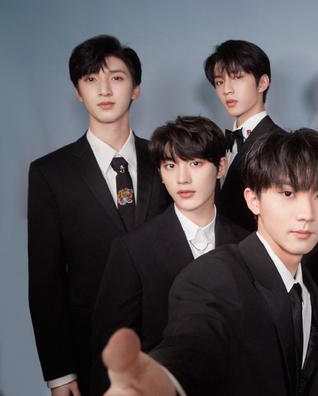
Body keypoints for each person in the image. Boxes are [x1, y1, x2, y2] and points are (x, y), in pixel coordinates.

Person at [101, 128, 318, 396]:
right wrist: (162, 380)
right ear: (253, 200)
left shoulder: (311, 289)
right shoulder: (214, 276)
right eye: (288, 193)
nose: (307, 214)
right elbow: (193, 343)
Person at [27, 34, 171, 395]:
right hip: (91, 354)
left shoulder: (168, 162)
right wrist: (60, 373)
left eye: (117, 78)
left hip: (168, 350)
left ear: (136, 88)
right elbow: (45, 282)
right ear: (78, 92)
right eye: (91, 79)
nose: (104, 89)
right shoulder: (50, 173)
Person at [90, 116, 248, 394]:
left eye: (195, 164)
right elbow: (111, 353)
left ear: (221, 167)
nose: (182, 179)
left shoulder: (247, 244)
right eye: (171, 166)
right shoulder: (132, 250)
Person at [204, 39, 284, 231]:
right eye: (219, 82)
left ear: (262, 83)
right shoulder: (217, 144)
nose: (226, 90)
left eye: (237, 77)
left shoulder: (281, 144)